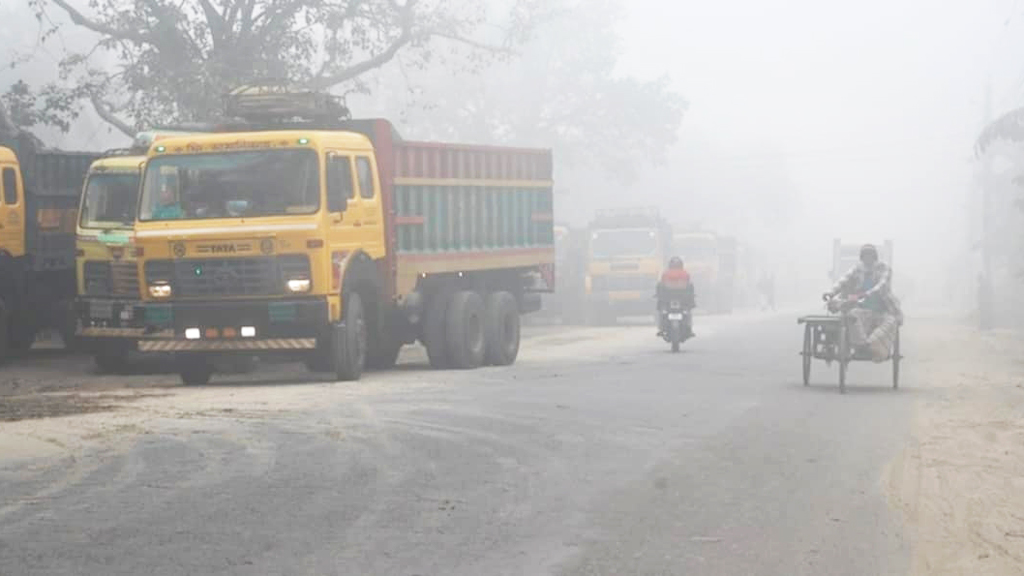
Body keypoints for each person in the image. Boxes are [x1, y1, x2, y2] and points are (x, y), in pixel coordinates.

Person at [823, 243, 902, 361]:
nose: (867, 258)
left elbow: (882, 285)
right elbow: (843, 280)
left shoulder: (884, 268)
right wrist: (830, 293)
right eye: (865, 256)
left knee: (891, 322)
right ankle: (862, 347)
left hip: (883, 310)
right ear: (862, 257)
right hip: (862, 310)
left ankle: (872, 346)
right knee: (852, 316)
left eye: (870, 255)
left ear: (874, 256)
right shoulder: (857, 269)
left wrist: (867, 293)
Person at [655, 256, 696, 337]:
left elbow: (660, 287)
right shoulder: (685, 274)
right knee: (687, 312)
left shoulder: (666, 274)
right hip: (682, 299)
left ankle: (661, 328)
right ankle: (689, 329)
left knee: (662, 311)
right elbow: (690, 287)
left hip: (669, 300)